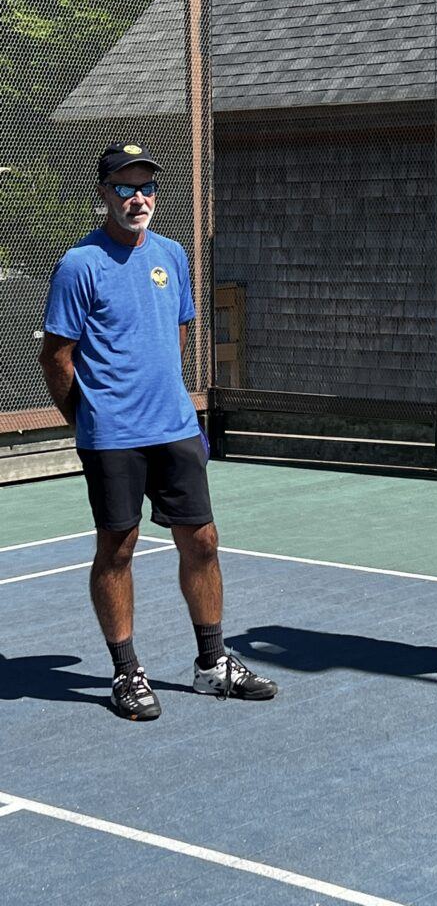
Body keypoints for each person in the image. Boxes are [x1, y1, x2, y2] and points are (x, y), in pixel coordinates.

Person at [39, 141, 277, 720]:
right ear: (104, 194)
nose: (138, 197)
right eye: (125, 187)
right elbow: (56, 355)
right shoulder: (78, 265)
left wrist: (167, 396)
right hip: (111, 437)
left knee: (203, 541)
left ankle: (212, 664)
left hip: (173, 429)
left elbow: (177, 333)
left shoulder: (171, 255)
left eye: (146, 187)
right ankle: (126, 672)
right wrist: (87, 418)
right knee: (116, 549)